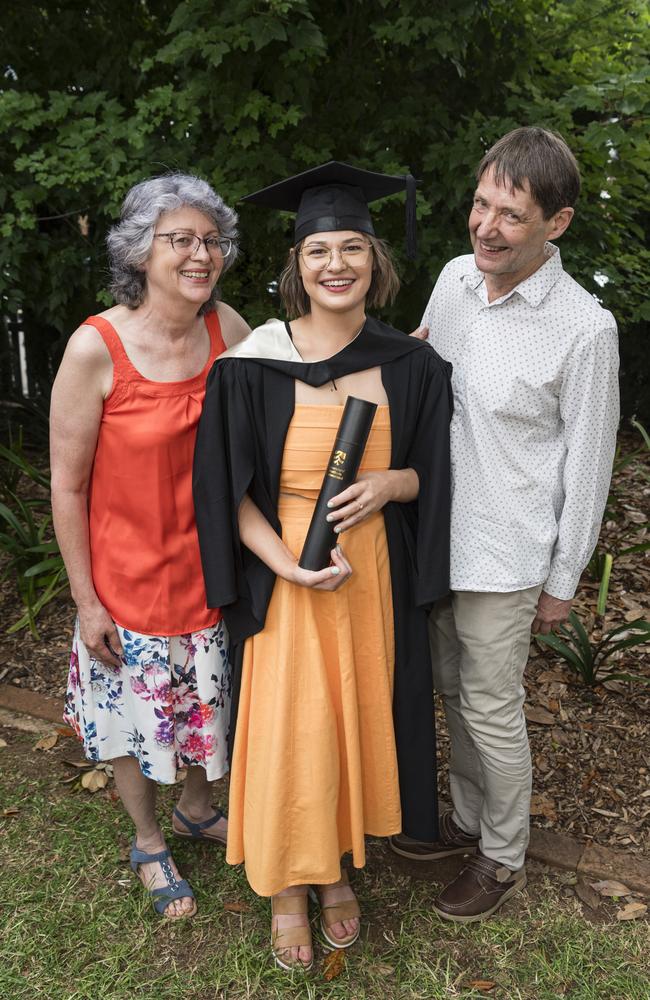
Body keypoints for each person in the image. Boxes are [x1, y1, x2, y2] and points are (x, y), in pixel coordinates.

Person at [193, 161, 452, 969]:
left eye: (352, 249)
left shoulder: (413, 366)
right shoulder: (250, 366)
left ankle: (336, 869)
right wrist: (287, 567)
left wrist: (390, 481)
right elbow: (227, 493)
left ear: (376, 262)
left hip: (369, 577)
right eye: (318, 252)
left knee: (348, 723)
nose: (335, 265)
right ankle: (285, 887)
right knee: (291, 729)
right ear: (294, 268)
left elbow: (434, 475)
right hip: (287, 579)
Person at [391, 127, 620, 922]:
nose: (486, 227)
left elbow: (588, 467)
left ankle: (501, 855)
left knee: (491, 705)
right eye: (481, 204)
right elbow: (420, 370)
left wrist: (563, 582)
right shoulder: (456, 279)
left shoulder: (586, 329)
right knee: (451, 690)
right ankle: (466, 818)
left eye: (511, 215)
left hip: (506, 550)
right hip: (433, 538)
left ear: (555, 224)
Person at [50, 173, 250, 918]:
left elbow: (306, 371)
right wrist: (85, 599)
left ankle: (197, 812)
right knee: (130, 718)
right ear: (140, 253)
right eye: (182, 240)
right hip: (126, 580)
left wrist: (388, 354)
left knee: (203, 706)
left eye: (212, 240)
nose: (201, 254)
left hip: (211, 572)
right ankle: (148, 840)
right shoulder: (94, 347)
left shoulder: (228, 327)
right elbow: (67, 486)